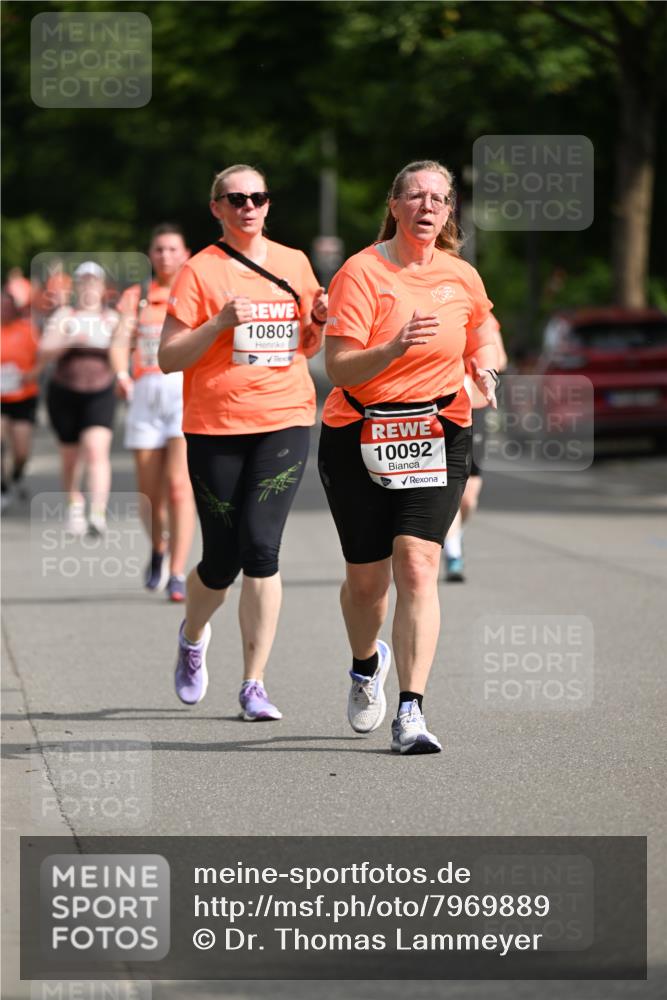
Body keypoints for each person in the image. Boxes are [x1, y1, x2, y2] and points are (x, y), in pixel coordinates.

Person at [318, 159, 499, 755]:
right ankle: (366, 666)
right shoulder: (361, 273)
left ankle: (411, 712)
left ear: (449, 212)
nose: (427, 206)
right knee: (367, 585)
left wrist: (486, 364)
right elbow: (340, 366)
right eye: (416, 196)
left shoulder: (460, 276)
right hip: (360, 433)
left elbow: (484, 329)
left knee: (419, 565)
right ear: (393, 205)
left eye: (439, 199)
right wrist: (394, 347)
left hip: (439, 428)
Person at [158, 164, 327, 720]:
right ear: (217, 208)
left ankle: (254, 684)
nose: (248, 206)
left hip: (284, 417)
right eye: (236, 198)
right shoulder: (197, 272)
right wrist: (219, 323)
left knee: (261, 548)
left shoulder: (294, 263)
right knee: (222, 559)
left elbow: (303, 347)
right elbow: (168, 358)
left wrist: (320, 322)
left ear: (268, 205)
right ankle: (193, 634)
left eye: (257, 197)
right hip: (216, 426)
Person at [111, 224, 196, 601]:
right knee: (149, 493)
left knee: (179, 486)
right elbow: (119, 340)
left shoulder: (194, 291)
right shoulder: (138, 296)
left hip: (182, 391)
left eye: (172, 249)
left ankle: (177, 571)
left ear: (185, 254)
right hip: (145, 391)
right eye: (159, 249)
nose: (165, 256)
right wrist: (120, 373)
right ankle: (158, 549)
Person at [39, 261, 119, 536]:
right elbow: (45, 350)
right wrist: (70, 341)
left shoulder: (112, 318)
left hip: (100, 391)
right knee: (70, 456)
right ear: (77, 286)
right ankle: (75, 503)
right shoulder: (65, 315)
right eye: (83, 281)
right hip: (65, 392)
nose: (89, 287)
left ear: (102, 287)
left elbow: (123, 353)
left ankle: (97, 512)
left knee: (97, 451)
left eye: (93, 281)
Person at [444, 312, 507, 581]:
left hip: (476, 405)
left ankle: (454, 535)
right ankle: (453, 553)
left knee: (468, 498)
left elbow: (500, 358)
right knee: (449, 491)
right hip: (443, 407)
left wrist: (480, 367)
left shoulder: (484, 317)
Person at [1, 288, 41, 510]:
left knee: (21, 451)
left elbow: (41, 359)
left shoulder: (27, 331)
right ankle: (2, 488)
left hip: (23, 397)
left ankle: (16, 473)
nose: (3, 311)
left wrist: (33, 373)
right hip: (1, 399)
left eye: (7, 306)